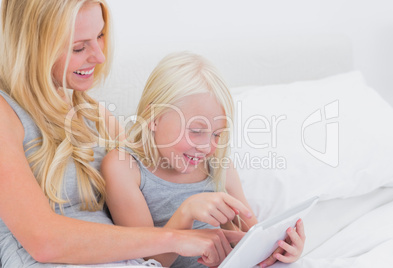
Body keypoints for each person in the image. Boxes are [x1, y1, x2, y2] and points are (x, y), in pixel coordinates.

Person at [0, 1, 244, 267]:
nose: (99, 56)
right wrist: (175, 238)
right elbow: (43, 242)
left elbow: (156, 187)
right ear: (33, 46)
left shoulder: (95, 116)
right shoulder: (6, 114)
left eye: (100, 36)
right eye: (79, 47)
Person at [102, 52, 306, 268]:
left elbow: (252, 235)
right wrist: (187, 212)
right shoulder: (124, 167)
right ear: (154, 118)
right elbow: (147, 261)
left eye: (217, 134)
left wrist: (281, 248)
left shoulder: (217, 164)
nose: (208, 147)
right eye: (197, 130)